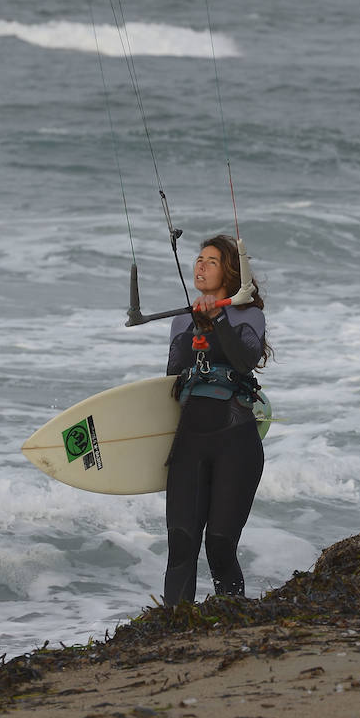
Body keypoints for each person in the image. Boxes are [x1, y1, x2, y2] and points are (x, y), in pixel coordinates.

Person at [163, 234, 269, 606]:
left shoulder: (249, 315)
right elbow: (172, 379)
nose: (200, 265)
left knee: (220, 546)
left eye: (211, 261)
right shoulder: (181, 320)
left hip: (235, 442)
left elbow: (244, 360)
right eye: (199, 259)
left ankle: (234, 619)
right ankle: (174, 628)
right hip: (189, 442)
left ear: (230, 271)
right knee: (180, 543)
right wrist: (197, 326)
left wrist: (219, 318)